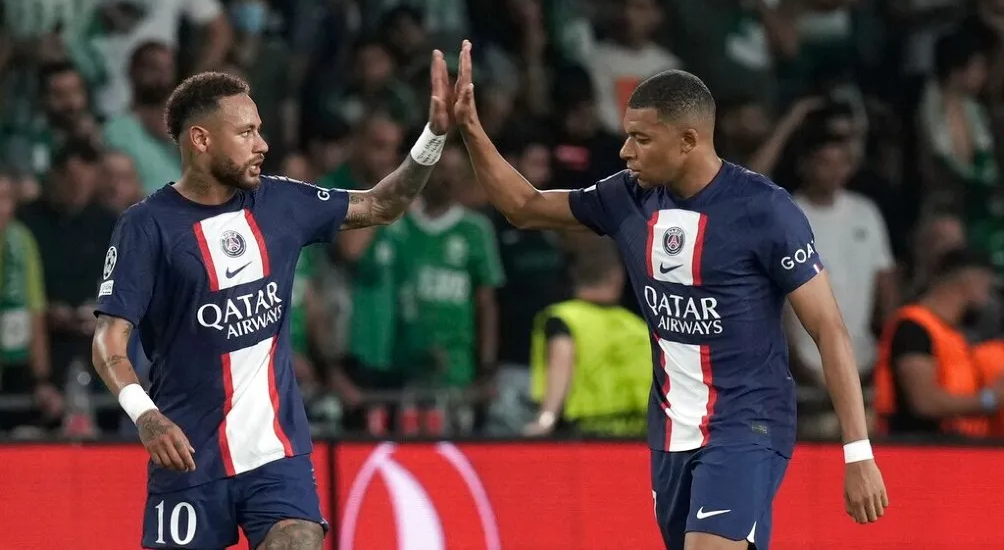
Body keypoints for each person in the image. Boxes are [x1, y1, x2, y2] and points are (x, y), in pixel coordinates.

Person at [452, 40, 888, 550]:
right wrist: (471, 129)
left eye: (641, 138)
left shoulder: (764, 210)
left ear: (687, 141)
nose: (625, 151)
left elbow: (828, 329)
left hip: (748, 421)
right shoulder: (626, 196)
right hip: (670, 430)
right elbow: (523, 206)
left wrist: (858, 452)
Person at [90, 48, 452, 549]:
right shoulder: (145, 226)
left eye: (259, 130)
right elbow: (108, 341)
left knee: (299, 538)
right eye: (246, 133)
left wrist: (433, 135)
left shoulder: (281, 202)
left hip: (276, 454)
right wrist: (146, 416)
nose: (262, 144)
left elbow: (382, 204)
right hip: (189, 456)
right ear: (201, 139)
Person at [525, 240, 650, 438]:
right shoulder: (639, 326)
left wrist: (546, 419)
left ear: (574, 275)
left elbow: (561, 365)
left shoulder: (564, 319)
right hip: (637, 433)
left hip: (584, 434)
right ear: (617, 277)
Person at [874, 249, 1003, 438]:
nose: (989, 291)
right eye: (986, 280)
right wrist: (990, 399)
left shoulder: (953, 334)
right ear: (968, 279)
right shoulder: (913, 327)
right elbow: (923, 401)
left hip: (953, 444)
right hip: (915, 446)